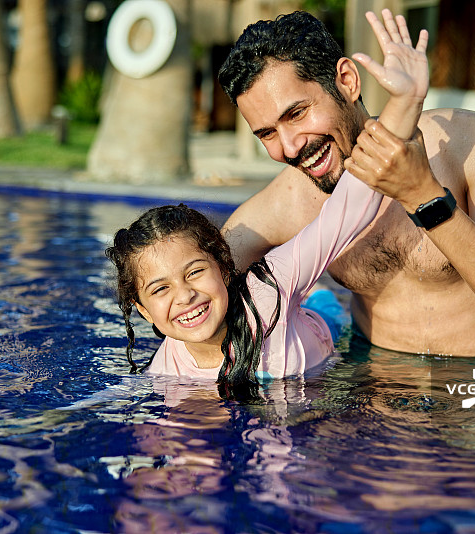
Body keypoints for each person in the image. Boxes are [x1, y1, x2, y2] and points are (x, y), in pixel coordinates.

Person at [104, 13, 429, 398]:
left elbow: (351, 203)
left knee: (324, 308)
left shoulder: (269, 288)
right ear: (143, 311)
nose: (184, 295)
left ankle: (317, 300)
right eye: (160, 290)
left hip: (321, 327)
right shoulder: (166, 367)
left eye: (195, 272)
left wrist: (405, 102)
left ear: (224, 266)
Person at [219, 9, 475, 358]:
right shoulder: (288, 201)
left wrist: (423, 195)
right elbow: (200, 282)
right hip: (373, 369)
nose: (289, 147)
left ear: (347, 81)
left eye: (297, 113)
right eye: (267, 133)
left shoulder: (466, 142)